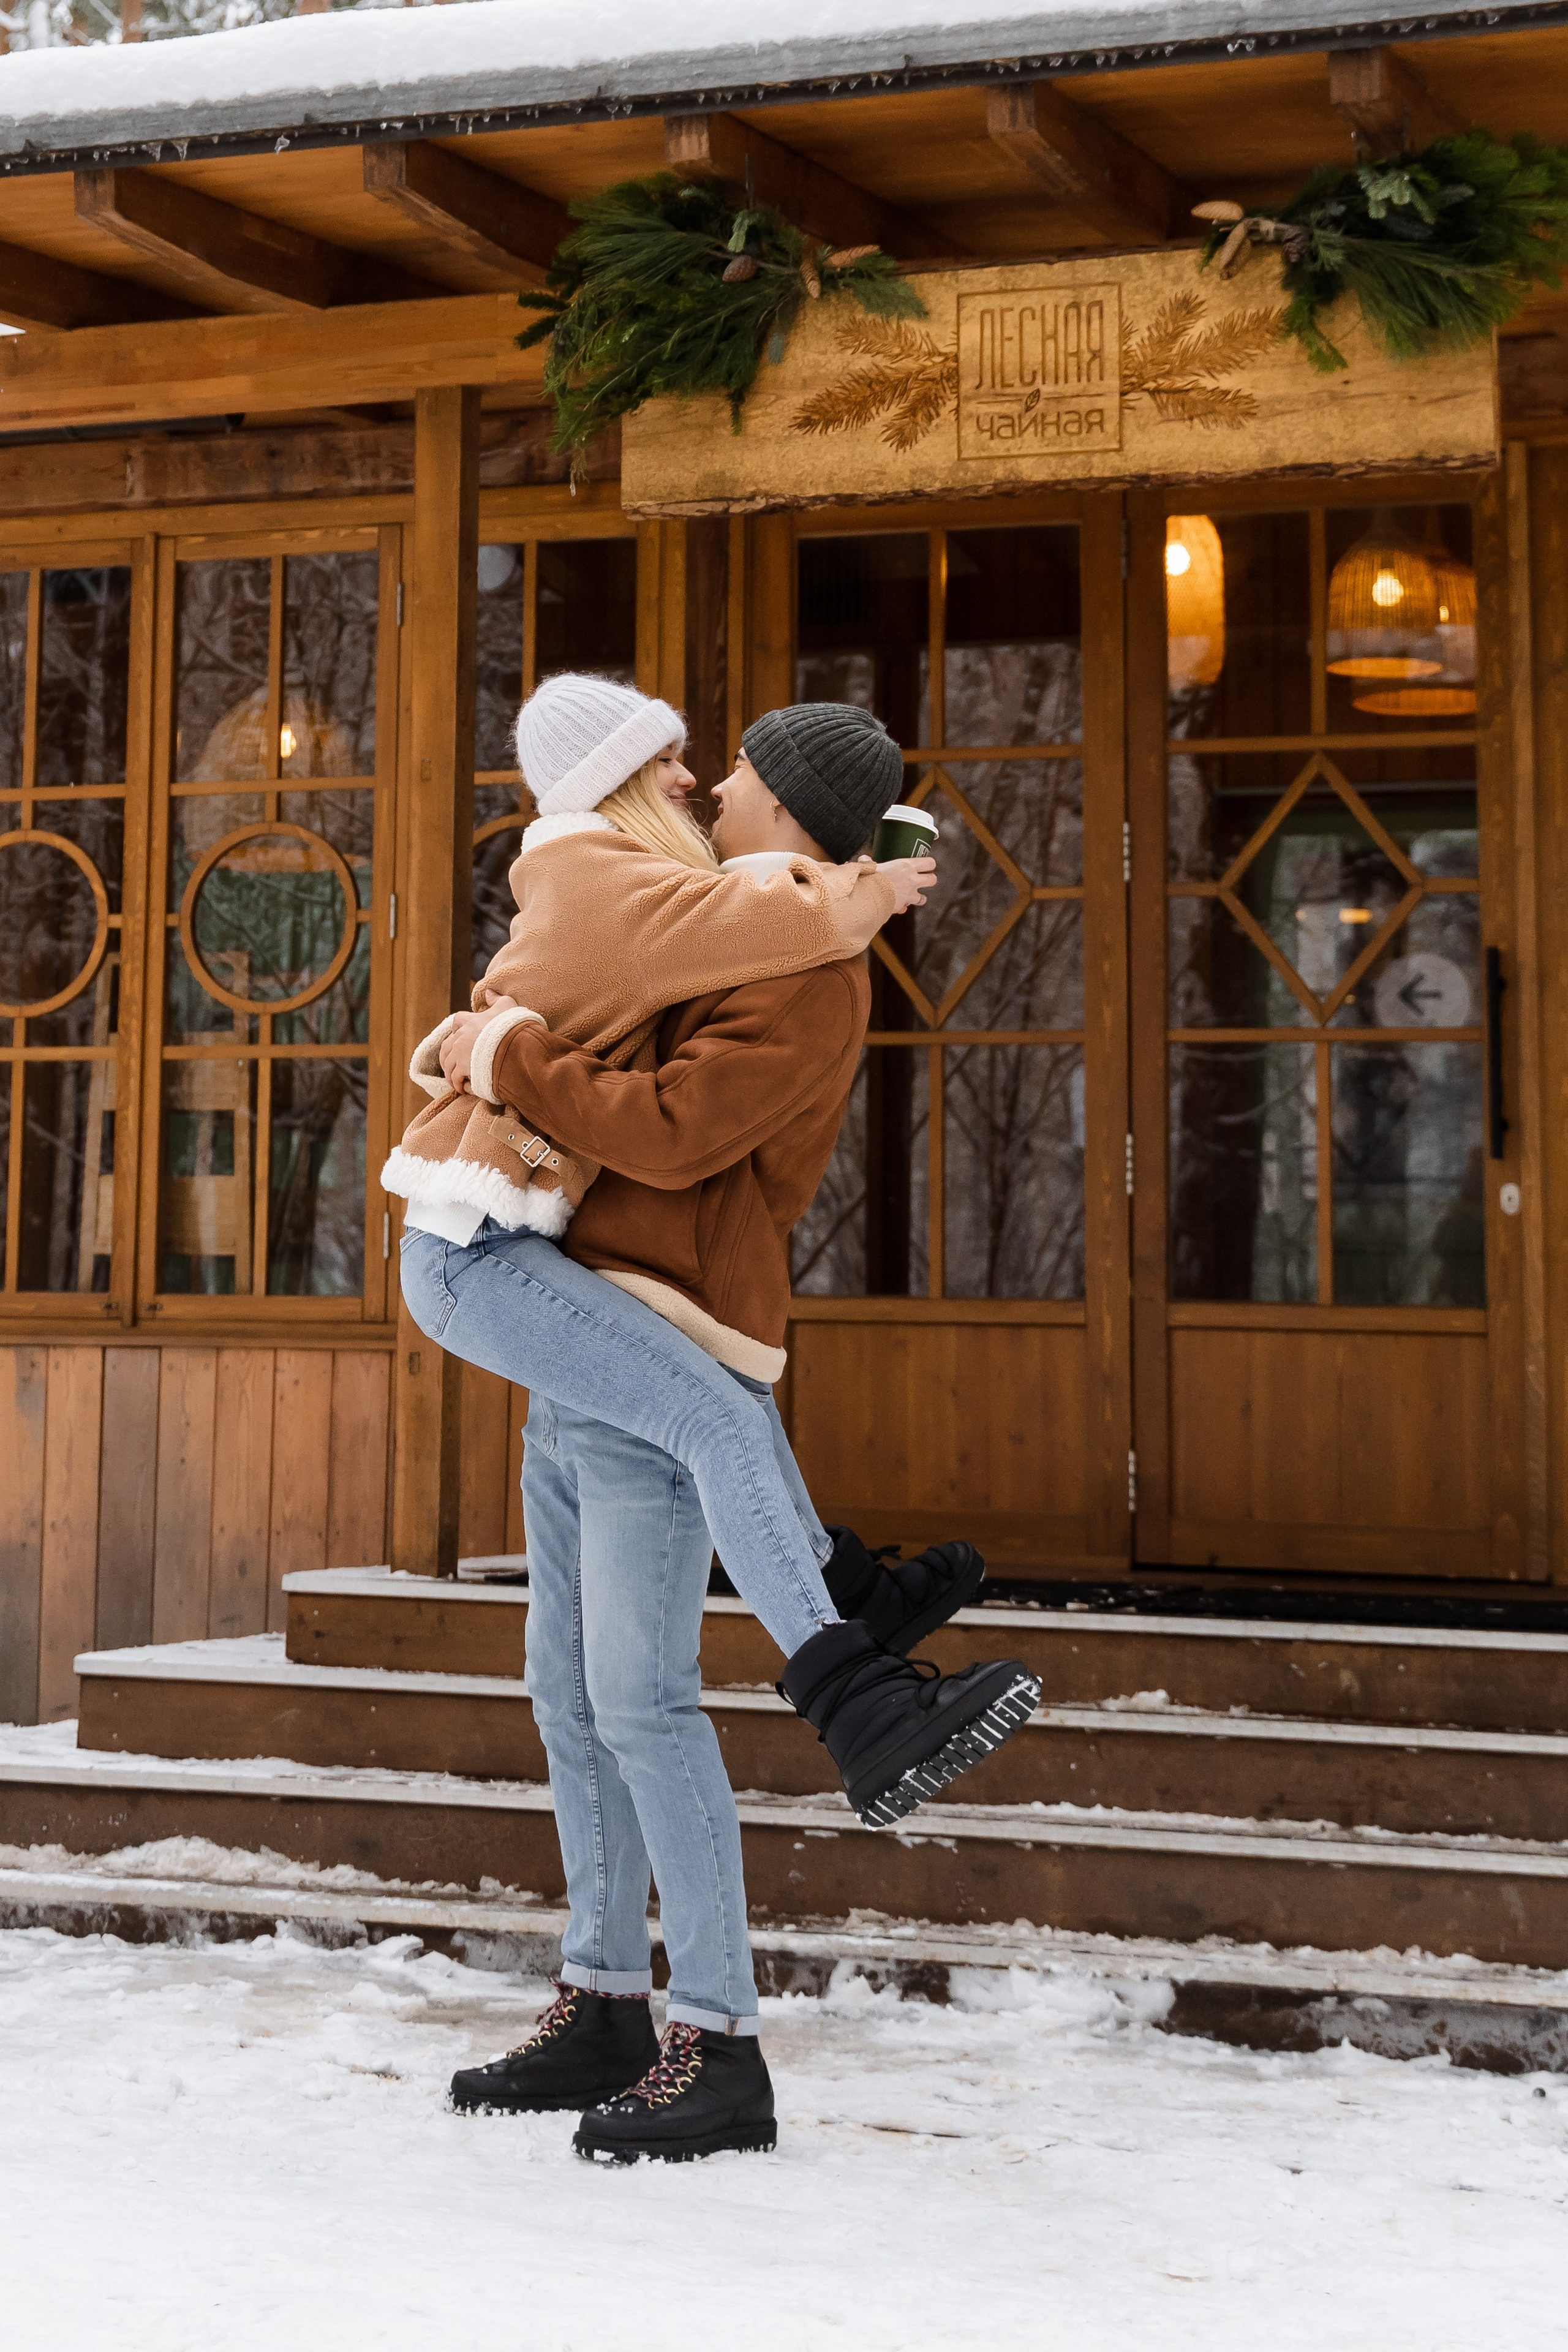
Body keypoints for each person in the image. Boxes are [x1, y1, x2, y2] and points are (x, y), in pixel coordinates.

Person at [431, 698, 1040, 2163]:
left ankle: (717, 2039)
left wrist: (504, 1057)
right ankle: (602, 2000)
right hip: (588, 1321)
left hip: (670, 1321)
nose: (708, 792)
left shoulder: (808, 973)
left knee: (640, 1702)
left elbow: (675, 1134)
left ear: (785, 815)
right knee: (568, 1695)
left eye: (739, 781)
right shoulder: (729, 916)